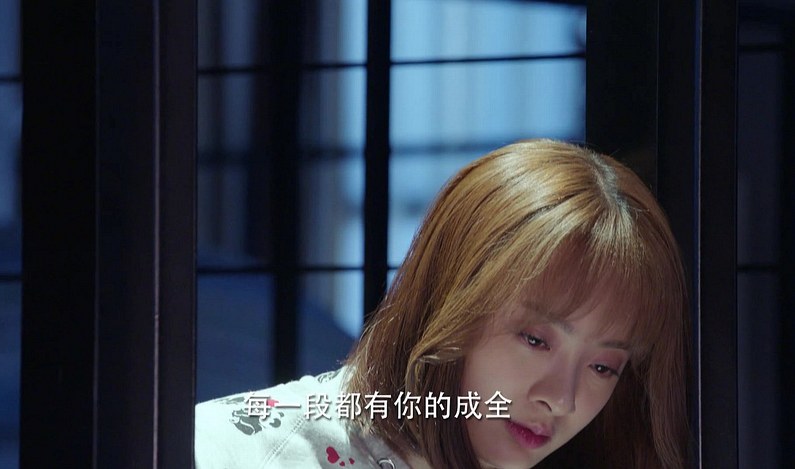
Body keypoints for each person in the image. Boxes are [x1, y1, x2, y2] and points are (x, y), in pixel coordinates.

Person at [195, 139, 689, 469]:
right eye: (536, 340)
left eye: (604, 367)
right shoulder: (235, 453)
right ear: (450, 300)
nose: (562, 399)